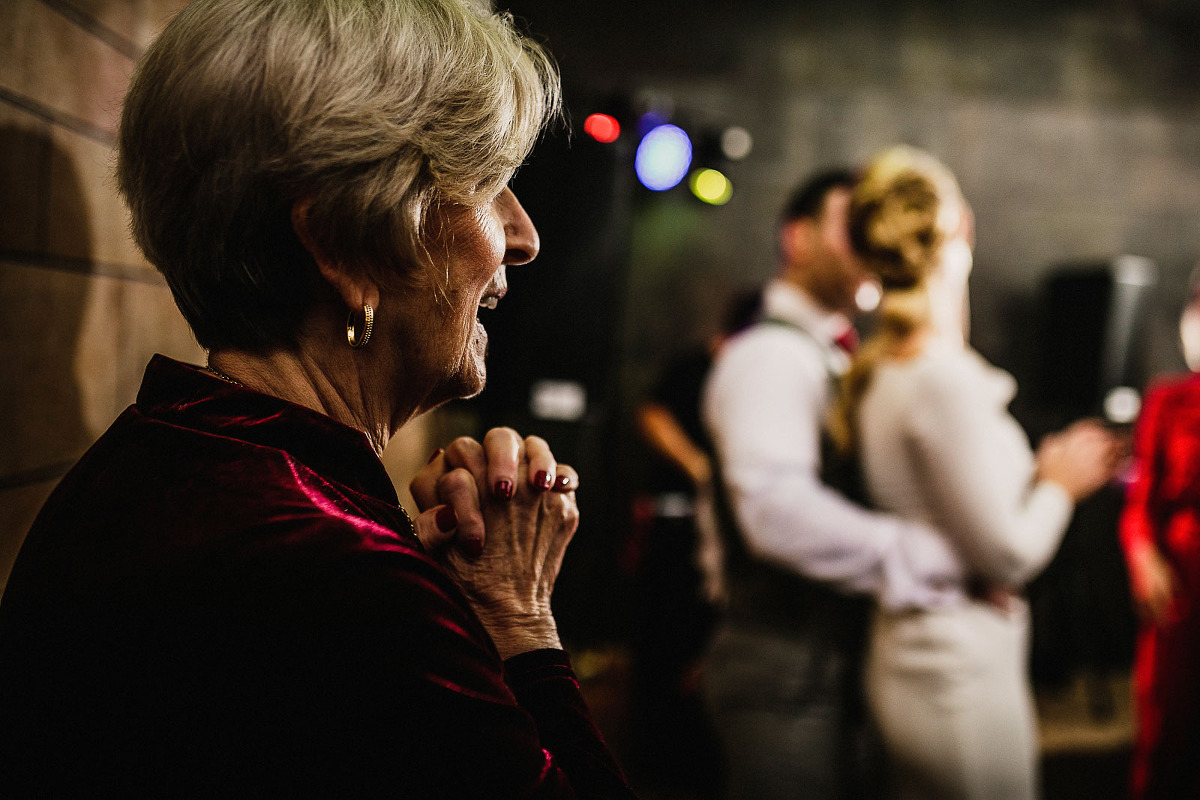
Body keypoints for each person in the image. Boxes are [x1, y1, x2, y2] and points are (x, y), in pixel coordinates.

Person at [0, 2, 636, 797]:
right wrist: (517, 620)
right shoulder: (338, 576)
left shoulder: (157, 461)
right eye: (487, 183)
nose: (525, 233)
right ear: (341, 244)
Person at [830, 145, 1120, 800]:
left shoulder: (884, 370)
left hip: (925, 656)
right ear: (961, 228)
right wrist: (1059, 483)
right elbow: (1009, 556)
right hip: (952, 673)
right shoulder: (940, 380)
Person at [701, 169, 969, 800]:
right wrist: (936, 559)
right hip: (783, 665)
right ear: (798, 239)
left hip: (824, 660)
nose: (875, 244)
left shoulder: (831, 354)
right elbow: (776, 514)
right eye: (855, 228)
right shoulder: (768, 356)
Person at [627, 290, 760, 793]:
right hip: (675, 530)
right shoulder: (698, 365)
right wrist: (700, 469)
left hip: (720, 539)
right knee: (664, 649)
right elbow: (651, 416)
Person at [1120, 274, 1200, 800]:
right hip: (1182, 591)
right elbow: (1137, 504)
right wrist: (1143, 557)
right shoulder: (1168, 400)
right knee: (1168, 731)